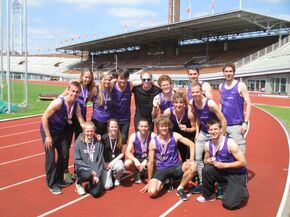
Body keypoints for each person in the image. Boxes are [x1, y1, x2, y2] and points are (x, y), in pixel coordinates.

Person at [40, 81, 85, 195]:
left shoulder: (76, 105)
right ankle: (52, 184)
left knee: (64, 155)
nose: (74, 94)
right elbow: (44, 117)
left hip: (60, 132)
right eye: (73, 91)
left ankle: (59, 179)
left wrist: (91, 131)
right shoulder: (58, 102)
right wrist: (48, 136)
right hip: (48, 132)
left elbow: (81, 121)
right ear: (68, 90)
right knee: (50, 158)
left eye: (77, 92)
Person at [141, 115, 197, 201]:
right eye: (162, 126)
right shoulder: (153, 142)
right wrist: (149, 181)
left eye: (166, 126)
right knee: (152, 193)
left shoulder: (175, 135)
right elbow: (151, 163)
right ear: (158, 128)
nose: (164, 128)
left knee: (193, 165)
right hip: (162, 169)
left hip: (176, 167)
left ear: (169, 126)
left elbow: (191, 144)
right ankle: (166, 180)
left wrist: (191, 158)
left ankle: (180, 188)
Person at [196, 119, 248, 210]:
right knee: (207, 169)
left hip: (237, 174)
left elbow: (243, 162)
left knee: (229, 204)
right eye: (211, 130)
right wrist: (209, 161)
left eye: (216, 129)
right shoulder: (208, 145)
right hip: (222, 172)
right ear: (208, 131)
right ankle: (209, 195)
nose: (213, 132)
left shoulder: (230, 143)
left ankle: (242, 190)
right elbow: (205, 161)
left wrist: (224, 165)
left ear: (221, 129)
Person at [189, 81, 227, 194]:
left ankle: (221, 185)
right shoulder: (192, 103)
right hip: (203, 133)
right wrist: (197, 133)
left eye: (197, 92)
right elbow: (198, 119)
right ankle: (203, 183)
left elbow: (223, 120)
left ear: (201, 92)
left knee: (217, 159)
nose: (195, 94)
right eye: (193, 92)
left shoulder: (210, 104)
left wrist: (222, 138)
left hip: (214, 134)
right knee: (198, 158)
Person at [64, 68, 95, 184]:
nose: (87, 79)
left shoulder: (89, 89)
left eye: (89, 77)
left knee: (80, 146)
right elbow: (63, 95)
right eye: (85, 77)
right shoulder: (75, 86)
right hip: (70, 119)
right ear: (81, 76)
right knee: (66, 146)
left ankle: (77, 170)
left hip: (81, 120)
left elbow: (88, 100)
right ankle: (65, 171)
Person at [219, 62, 251, 154]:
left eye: (230, 71)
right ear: (223, 73)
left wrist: (245, 122)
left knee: (239, 152)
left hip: (236, 125)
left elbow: (248, 104)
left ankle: (240, 168)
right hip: (224, 125)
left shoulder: (240, 85)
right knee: (225, 151)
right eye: (226, 71)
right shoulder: (221, 86)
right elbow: (221, 103)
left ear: (234, 73)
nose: (228, 73)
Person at [111, 69, 142, 147]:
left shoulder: (130, 85)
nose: (123, 80)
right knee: (114, 139)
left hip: (125, 118)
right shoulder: (112, 86)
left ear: (128, 78)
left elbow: (144, 82)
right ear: (117, 78)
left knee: (124, 139)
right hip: (114, 117)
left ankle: (123, 157)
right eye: (121, 78)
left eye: (125, 78)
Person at [163, 91, 196, 162]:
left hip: (188, 135)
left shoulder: (189, 113)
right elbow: (162, 126)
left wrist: (187, 129)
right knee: (180, 155)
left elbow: (195, 128)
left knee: (189, 157)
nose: (178, 105)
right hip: (175, 135)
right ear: (173, 103)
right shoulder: (168, 112)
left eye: (181, 102)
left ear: (184, 103)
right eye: (176, 102)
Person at [74, 121, 104, 197]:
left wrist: (97, 174)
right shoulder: (78, 142)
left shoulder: (98, 143)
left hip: (95, 170)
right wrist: (91, 170)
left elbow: (99, 160)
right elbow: (77, 160)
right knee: (87, 175)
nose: (90, 133)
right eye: (87, 131)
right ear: (84, 131)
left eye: (92, 131)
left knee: (96, 193)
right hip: (83, 169)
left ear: (94, 131)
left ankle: (91, 182)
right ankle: (78, 182)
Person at [124, 119, 156, 184]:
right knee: (126, 164)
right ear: (138, 127)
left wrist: (146, 160)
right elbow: (127, 152)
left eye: (145, 126)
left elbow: (156, 152)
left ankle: (148, 172)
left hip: (149, 159)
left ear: (148, 127)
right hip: (138, 158)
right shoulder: (133, 136)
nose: (143, 128)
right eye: (141, 126)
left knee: (157, 162)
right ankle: (136, 172)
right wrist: (135, 160)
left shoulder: (153, 136)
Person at [101, 119, 125, 189]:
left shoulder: (122, 137)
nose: (114, 129)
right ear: (108, 127)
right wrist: (104, 164)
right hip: (106, 163)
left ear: (118, 127)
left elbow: (122, 153)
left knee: (120, 167)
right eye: (112, 127)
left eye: (115, 127)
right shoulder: (104, 137)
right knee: (107, 187)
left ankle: (117, 178)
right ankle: (111, 174)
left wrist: (112, 162)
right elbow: (100, 153)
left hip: (116, 161)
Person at [91, 71, 113, 136]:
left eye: (109, 80)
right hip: (97, 120)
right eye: (105, 79)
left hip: (108, 121)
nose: (107, 81)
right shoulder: (95, 89)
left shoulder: (111, 89)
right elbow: (88, 99)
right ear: (101, 80)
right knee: (97, 141)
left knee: (106, 141)